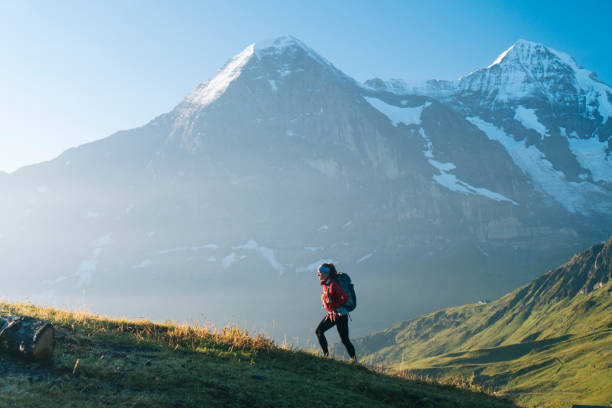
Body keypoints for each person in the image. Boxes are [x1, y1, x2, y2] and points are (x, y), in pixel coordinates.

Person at [315, 262, 356, 363]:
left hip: (339, 314)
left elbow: (345, 297)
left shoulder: (332, 284)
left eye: (320, 273)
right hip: (335, 314)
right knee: (343, 339)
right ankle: (353, 359)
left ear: (326, 273)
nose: (318, 275)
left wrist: (334, 305)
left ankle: (327, 355)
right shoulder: (327, 283)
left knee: (321, 331)